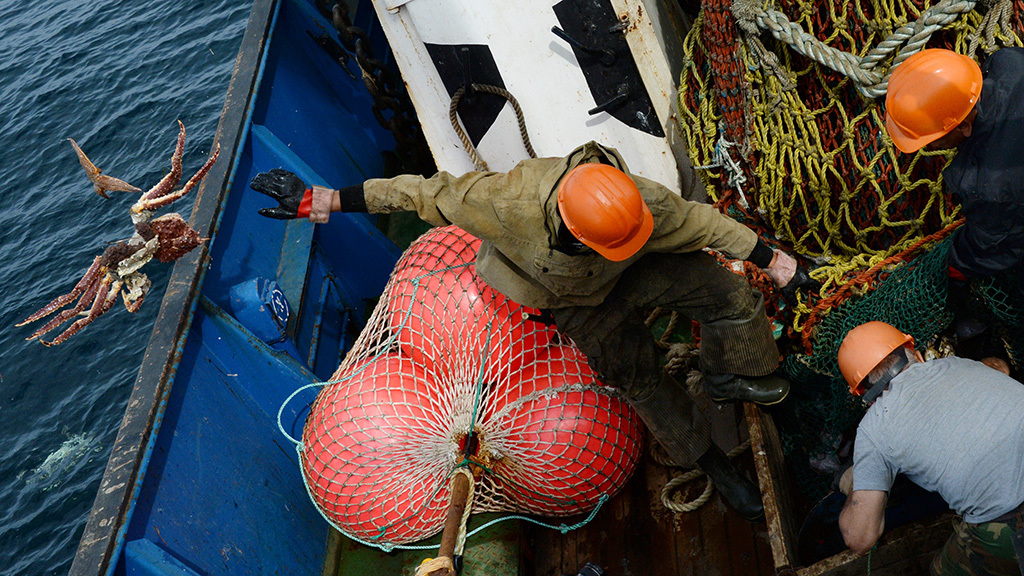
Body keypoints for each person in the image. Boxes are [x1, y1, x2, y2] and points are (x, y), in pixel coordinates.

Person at [251, 141, 815, 521]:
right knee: (640, 380)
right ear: (570, 228)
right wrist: (321, 200)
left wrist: (779, 263)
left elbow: (707, 224)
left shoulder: (638, 205)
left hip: (633, 265)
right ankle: (709, 461)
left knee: (729, 295)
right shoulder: (502, 203)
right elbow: (421, 192)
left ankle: (722, 376)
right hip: (567, 300)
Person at [836, 321, 1024, 575]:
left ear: (864, 397)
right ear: (917, 355)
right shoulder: (958, 364)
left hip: (1009, 517)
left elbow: (861, 539)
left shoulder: (874, 428)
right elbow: (1000, 368)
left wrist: (853, 483)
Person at [885, 47, 1024, 355]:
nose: (929, 146)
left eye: (933, 139)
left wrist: (957, 265)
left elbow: (991, 250)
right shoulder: (1009, 62)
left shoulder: (985, 183)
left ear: (964, 126)